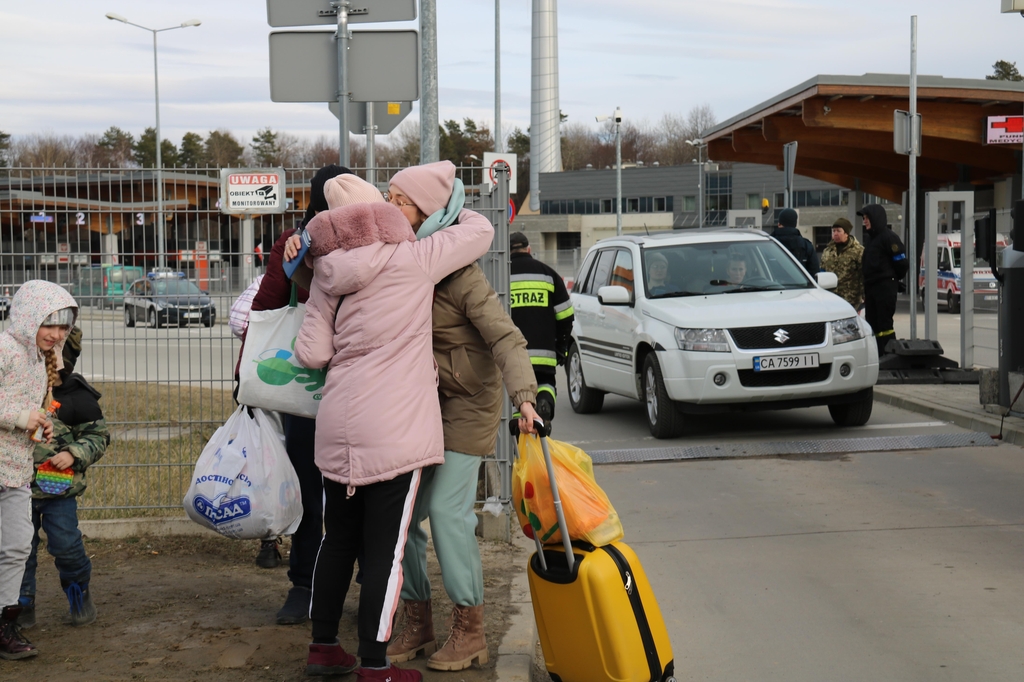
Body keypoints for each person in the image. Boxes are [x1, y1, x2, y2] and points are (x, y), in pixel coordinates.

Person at [294, 175, 502, 682]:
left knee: (337, 540)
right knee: (386, 551)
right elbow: (479, 231)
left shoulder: (325, 274)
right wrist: (448, 207)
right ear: (379, 217)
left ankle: (323, 648)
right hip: (394, 429)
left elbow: (311, 353)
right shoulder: (414, 260)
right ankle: (374, 663)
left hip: (337, 426)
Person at [385, 161, 539, 673]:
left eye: (400, 200)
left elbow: (505, 337)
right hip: (422, 406)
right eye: (387, 197)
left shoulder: (461, 273)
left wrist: (525, 397)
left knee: (449, 513)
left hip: (469, 406)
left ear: (427, 211)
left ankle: (470, 628)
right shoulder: (396, 261)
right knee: (401, 519)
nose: (390, 207)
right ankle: (418, 618)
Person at [236, 164, 350, 625]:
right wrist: (247, 375)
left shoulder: (379, 239)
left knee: (357, 488)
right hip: (306, 385)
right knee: (307, 485)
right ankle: (304, 583)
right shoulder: (295, 241)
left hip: (362, 382)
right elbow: (266, 307)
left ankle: (360, 580)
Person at [0, 280, 77, 661]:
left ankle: (5, 624)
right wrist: (19, 417)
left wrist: (41, 422)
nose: (57, 334)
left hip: (15, 470)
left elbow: (24, 407)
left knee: (15, 546)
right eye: (50, 324)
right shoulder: (4, 349)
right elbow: (10, 408)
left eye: (63, 326)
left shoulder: (41, 360)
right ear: (29, 317)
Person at [17, 326, 108, 630]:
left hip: (58, 493)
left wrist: (73, 453)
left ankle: (77, 591)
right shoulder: (17, 392)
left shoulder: (76, 395)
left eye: (55, 353)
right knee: (19, 550)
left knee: (66, 546)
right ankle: (20, 603)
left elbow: (98, 437)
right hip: (16, 490)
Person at [508, 231, 574, 422]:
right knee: (545, 383)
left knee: (517, 392)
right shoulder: (548, 274)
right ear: (529, 250)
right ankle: (544, 404)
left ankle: (521, 421)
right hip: (544, 355)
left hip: (513, 356)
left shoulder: (501, 277)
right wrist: (561, 348)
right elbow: (566, 316)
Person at [858, 203, 908, 355]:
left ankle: (889, 354)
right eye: (864, 218)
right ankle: (877, 354)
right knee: (872, 323)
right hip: (872, 288)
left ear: (876, 218)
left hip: (884, 287)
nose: (864, 221)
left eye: (867, 218)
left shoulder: (889, 237)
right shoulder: (871, 239)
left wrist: (891, 280)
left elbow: (902, 262)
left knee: (884, 324)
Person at [819, 217, 865, 308]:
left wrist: (863, 296)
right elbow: (822, 272)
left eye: (839, 231)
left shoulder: (858, 251)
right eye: (833, 231)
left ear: (846, 233)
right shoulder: (827, 251)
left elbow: (863, 275)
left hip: (851, 299)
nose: (835, 234)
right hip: (830, 298)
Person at [773, 207, 819, 274]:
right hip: (800, 284)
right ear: (795, 224)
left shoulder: (769, 244)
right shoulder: (806, 246)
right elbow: (815, 273)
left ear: (779, 224)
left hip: (771, 284)